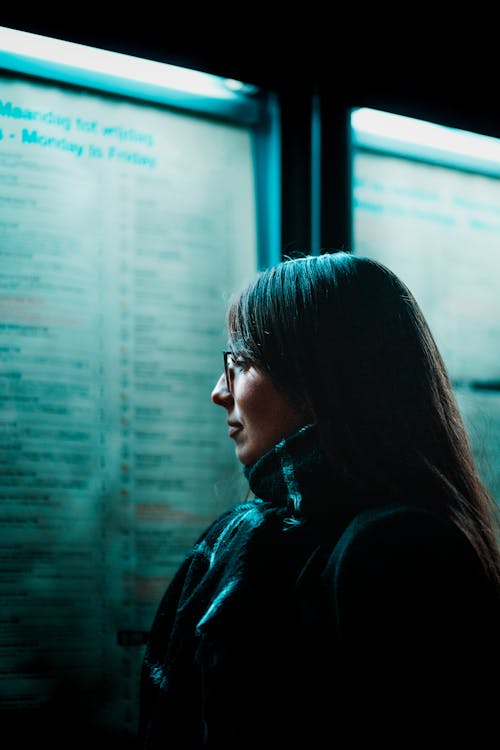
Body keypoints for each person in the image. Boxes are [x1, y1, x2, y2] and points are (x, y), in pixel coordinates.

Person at [138, 251, 500, 748]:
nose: (219, 391)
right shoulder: (284, 536)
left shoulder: (397, 549)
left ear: (319, 380)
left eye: (239, 362)